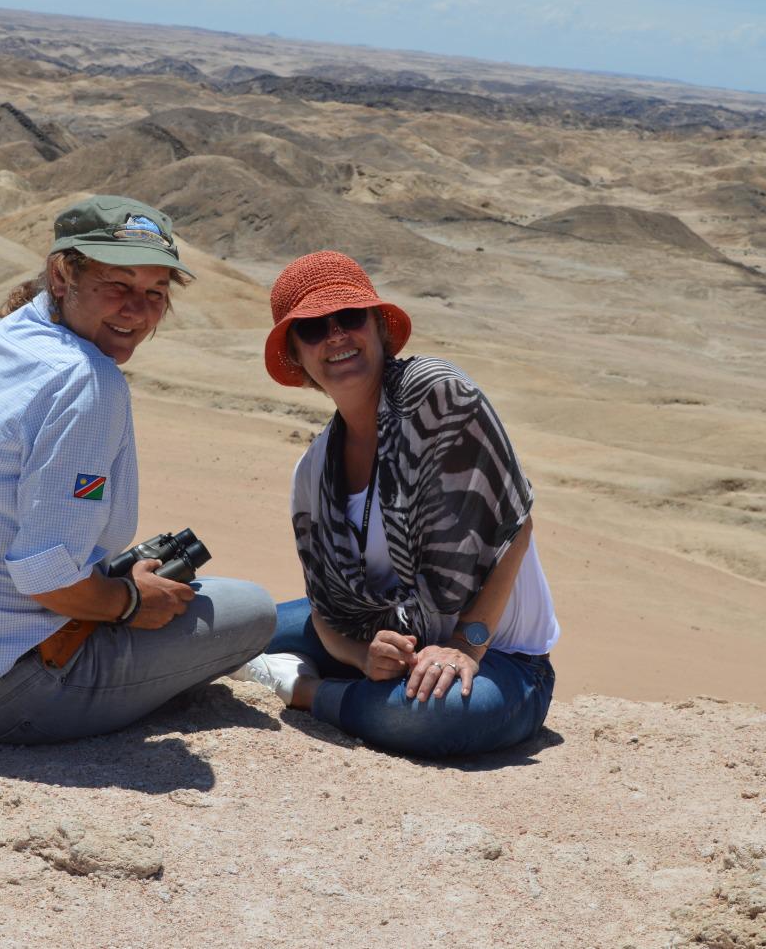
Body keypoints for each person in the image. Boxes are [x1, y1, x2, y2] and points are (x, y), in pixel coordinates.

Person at [0, 194, 275, 744]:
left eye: (154, 293)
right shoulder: (85, 383)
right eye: (117, 286)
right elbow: (47, 579)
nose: (138, 311)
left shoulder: (2, 338)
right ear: (62, 276)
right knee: (251, 610)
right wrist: (129, 602)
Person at [231, 251, 559, 758]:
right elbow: (326, 615)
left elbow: (517, 526)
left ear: (379, 327)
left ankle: (307, 690)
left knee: (427, 715)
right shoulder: (314, 472)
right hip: (384, 635)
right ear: (298, 355)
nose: (336, 335)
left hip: (501, 655)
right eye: (314, 328)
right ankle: (355, 684)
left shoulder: (438, 398)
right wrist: (364, 657)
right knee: (227, 631)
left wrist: (465, 645)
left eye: (349, 318)